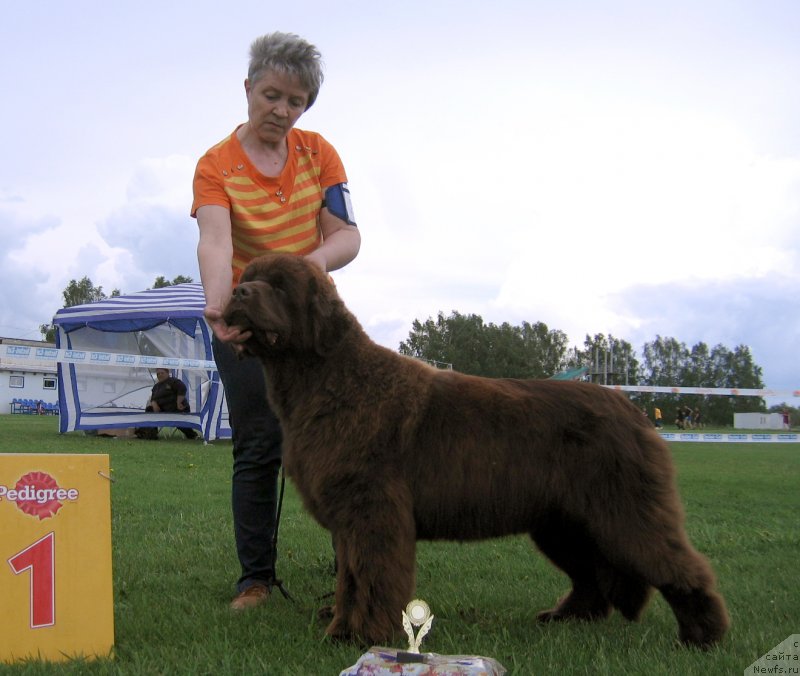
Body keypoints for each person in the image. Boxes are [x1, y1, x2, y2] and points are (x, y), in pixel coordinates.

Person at [192, 32, 360, 611]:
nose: (281, 111)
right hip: (250, 327)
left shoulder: (321, 153)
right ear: (247, 89)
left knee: (346, 446)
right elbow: (215, 242)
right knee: (260, 447)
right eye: (271, 95)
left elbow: (347, 236)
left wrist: (299, 274)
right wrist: (219, 307)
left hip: (317, 327)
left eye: (295, 102)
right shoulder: (215, 165)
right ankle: (254, 581)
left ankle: (354, 577)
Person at [139, 367, 198, 440]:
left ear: (167, 373)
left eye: (162, 373)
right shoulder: (156, 386)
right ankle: (150, 434)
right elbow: (153, 399)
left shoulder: (173, 381)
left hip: (178, 409)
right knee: (149, 409)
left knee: (179, 419)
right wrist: (154, 403)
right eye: (158, 374)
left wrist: (179, 402)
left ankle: (192, 435)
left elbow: (182, 388)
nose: (160, 375)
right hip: (163, 411)